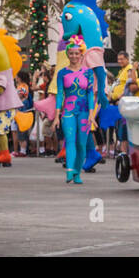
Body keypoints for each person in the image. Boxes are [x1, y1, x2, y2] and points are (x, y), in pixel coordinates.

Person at [54, 35, 98, 184]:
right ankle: (69, 171)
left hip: (85, 112)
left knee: (81, 144)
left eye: (76, 53)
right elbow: (60, 95)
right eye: (71, 53)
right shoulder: (62, 73)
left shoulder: (88, 73)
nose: (73, 56)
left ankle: (77, 173)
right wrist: (56, 116)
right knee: (70, 140)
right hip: (68, 111)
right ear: (67, 54)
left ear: (81, 54)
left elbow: (90, 94)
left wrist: (92, 115)